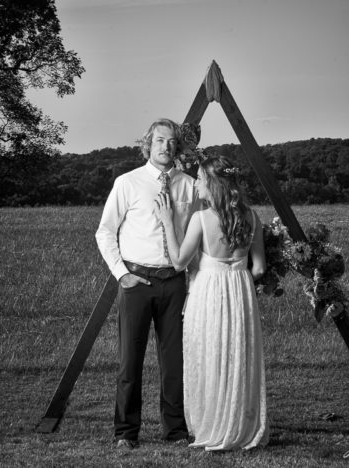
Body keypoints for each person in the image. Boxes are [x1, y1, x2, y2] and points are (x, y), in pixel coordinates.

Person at [96, 118, 199, 450]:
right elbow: (105, 232)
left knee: (174, 362)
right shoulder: (128, 183)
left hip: (175, 282)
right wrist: (121, 273)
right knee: (130, 361)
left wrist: (194, 282)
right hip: (137, 282)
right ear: (148, 144)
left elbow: (195, 237)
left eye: (171, 142)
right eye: (159, 141)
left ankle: (175, 431)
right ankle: (126, 432)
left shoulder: (190, 185)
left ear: (178, 147)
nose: (165, 146)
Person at [155, 155, 269, 451]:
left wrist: (167, 221)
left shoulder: (202, 218)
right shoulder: (252, 216)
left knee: (209, 354)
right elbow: (259, 269)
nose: (196, 184)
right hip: (240, 290)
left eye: (200, 179)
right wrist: (237, 278)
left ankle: (213, 424)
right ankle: (240, 425)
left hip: (208, 292)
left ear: (214, 184)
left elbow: (179, 261)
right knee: (238, 355)